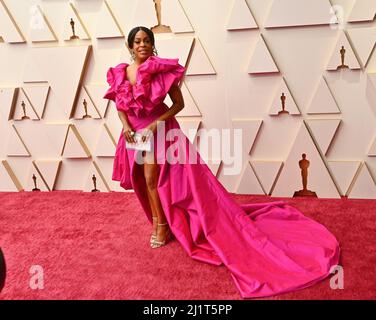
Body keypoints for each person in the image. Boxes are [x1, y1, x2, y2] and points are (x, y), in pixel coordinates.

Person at [103, 26, 340, 299]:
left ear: (152, 45)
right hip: (134, 134)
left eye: (147, 40)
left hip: (157, 132)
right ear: (130, 46)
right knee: (143, 182)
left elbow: (178, 105)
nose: (142, 44)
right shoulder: (121, 72)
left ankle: (162, 226)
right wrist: (125, 127)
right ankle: (160, 220)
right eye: (137, 41)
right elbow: (120, 107)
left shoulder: (161, 70)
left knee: (153, 180)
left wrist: (157, 123)